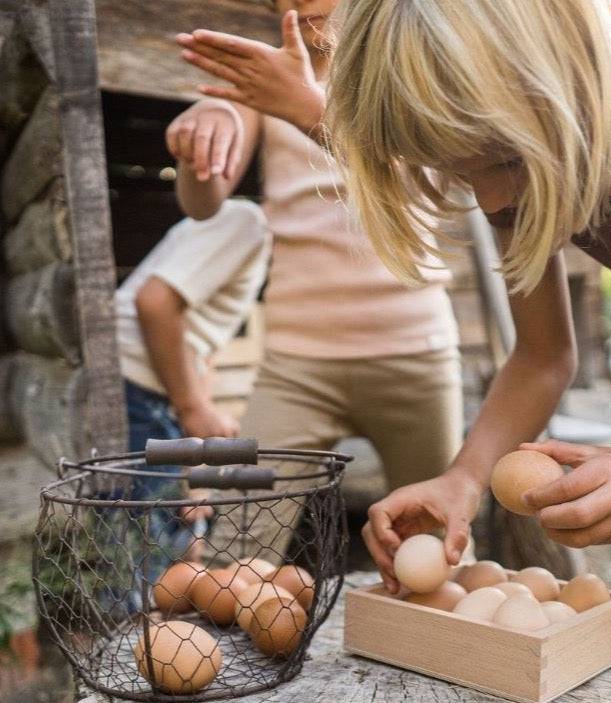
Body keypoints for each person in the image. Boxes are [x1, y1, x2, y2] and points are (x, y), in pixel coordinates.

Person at [181, 0, 611, 648]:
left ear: (566, 74)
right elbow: (541, 355)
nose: (490, 201)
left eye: (500, 161)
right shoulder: (513, 146)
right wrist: (463, 477)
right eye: (463, 172)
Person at [171, 0, 463, 563]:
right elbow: (201, 204)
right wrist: (197, 150)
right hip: (296, 366)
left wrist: (305, 106)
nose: (300, 3)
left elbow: (418, 171)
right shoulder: (267, 79)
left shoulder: (412, 63)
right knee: (231, 552)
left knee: (433, 549)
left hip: (416, 358)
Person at [114, 198, 270, 573]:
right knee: (144, 557)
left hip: (149, 389)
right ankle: (135, 627)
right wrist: (192, 407)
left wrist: (195, 456)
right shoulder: (247, 222)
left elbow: (199, 345)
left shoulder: (236, 233)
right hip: (138, 385)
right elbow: (154, 303)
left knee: (165, 534)